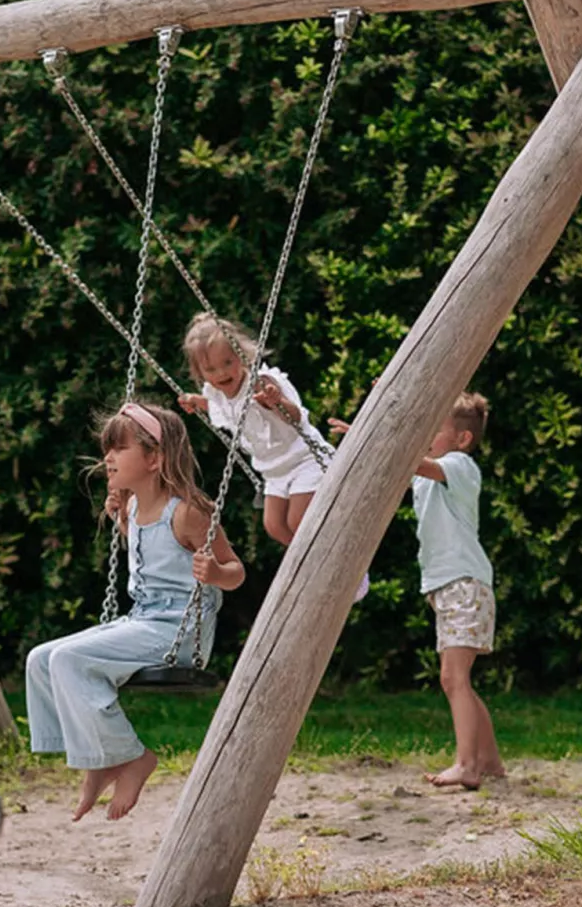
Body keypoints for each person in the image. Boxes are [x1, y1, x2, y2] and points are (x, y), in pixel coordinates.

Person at [26, 402, 246, 821]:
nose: (107, 457)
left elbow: (236, 571)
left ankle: (131, 757)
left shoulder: (187, 512)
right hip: (141, 619)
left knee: (70, 660)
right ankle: (97, 759)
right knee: (40, 660)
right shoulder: (130, 508)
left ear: (154, 458)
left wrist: (215, 572)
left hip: (176, 635)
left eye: (118, 448)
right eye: (107, 448)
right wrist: (123, 525)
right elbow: (148, 557)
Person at [331, 391, 504, 790]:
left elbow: (408, 459)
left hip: (464, 584)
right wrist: (365, 431)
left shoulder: (460, 466)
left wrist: (378, 437)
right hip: (451, 586)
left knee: (452, 678)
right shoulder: (431, 473)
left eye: (434, 430)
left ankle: (467, 765)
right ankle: (489, 760)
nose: (425, 436)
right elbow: (395, 464)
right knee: (459, 679)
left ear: (461, 439)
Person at [176, 313, 367, 600]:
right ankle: (314, 563)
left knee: (300, 518)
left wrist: (276, 402)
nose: (221, 373)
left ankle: (349, 569)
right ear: (200, 372)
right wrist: (198, 403)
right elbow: (225, 410)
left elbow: (297, 418)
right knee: (275, 526)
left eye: (228, 362)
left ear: (242, 354)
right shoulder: (215, 393)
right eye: (211, 369)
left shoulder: (263, 382)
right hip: (274, 472)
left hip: (304, 459)